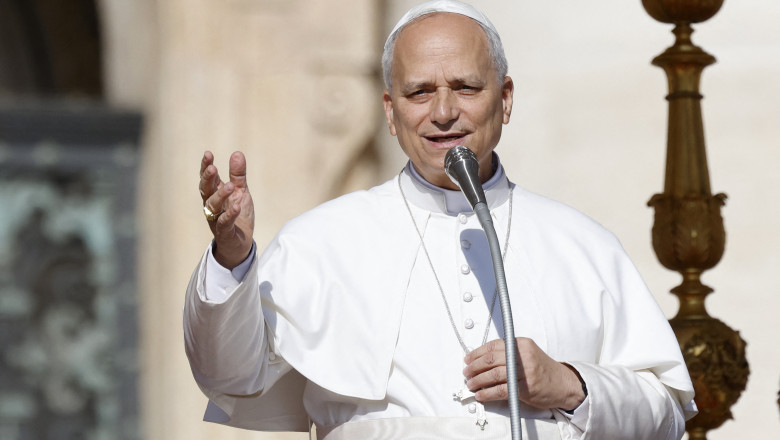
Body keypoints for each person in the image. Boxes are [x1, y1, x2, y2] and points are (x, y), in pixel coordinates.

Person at [184, 1, 697, 439]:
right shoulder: (320, 240)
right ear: (390, 111)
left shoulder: (583, 244)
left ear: (506, 97)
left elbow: (668, 411)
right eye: (419, 92)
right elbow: (229, 376)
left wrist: (568, 383)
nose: (444, 111)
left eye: (467, 87)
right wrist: (231, 259)